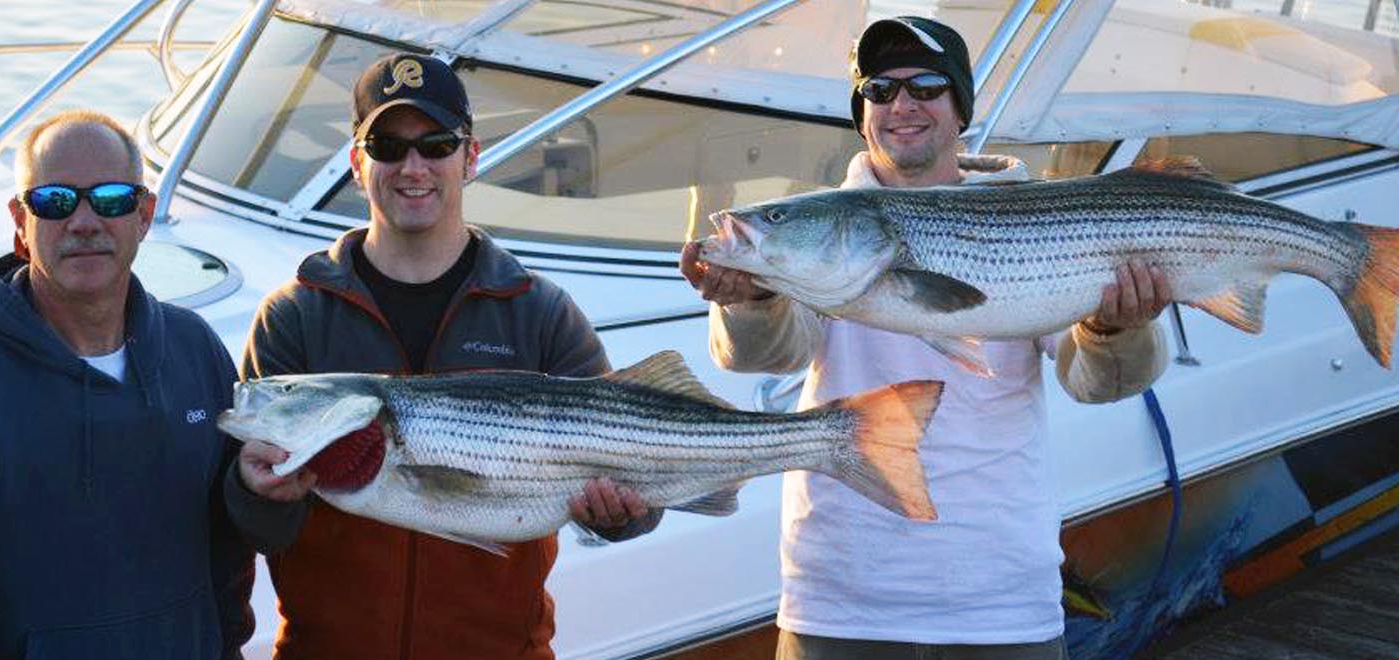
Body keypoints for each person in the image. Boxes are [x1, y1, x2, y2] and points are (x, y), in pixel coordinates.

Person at [679, 17, 1172, 660]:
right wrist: (752, 298)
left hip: (1001, 602)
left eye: (927, 86)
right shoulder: (824, 226)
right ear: (862, 117)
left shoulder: (1037, 216)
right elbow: (767, 356)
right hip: (839, 597)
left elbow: (1097, 384)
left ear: (960, 108)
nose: (902, 105)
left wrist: (1114, 327)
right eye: (880, 90)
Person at [225, 53, 662, 659]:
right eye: (387, 146)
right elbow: (254, 529)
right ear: (357, 163)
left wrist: (620, 515)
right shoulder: (295, 316)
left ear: (470, 157)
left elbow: (639, 494)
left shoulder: (538, 311)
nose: (413, 167)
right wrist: (255, 492)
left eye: (436, 145)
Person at [0, 110, 255, 659]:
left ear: (143, 215)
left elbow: (227, 561)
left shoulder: (196, 351)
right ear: (21, 222)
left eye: (111, 199)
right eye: (55, 201)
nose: (84, 221)